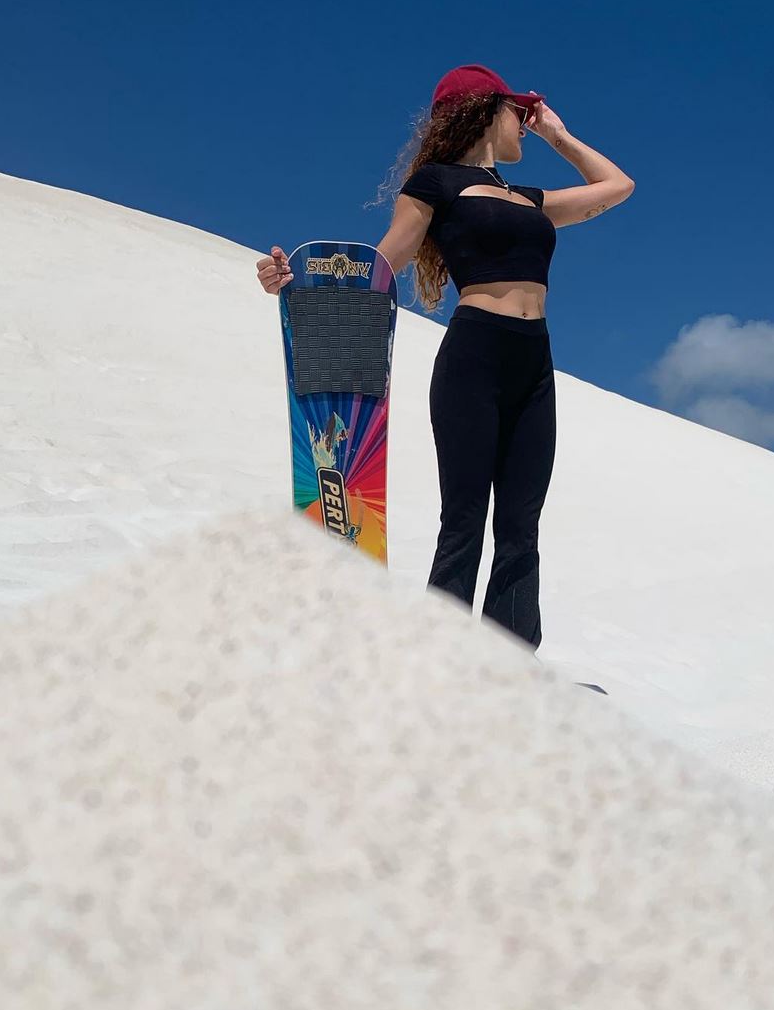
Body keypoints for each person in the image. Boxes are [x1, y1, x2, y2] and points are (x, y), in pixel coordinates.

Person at [257, 64, 634, 654]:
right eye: (519, 111)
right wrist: (299, 282)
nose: (525, 122)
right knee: (464, 520)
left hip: (535, 364)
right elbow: (382, 265)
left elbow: (617, 187)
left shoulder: (529, 199)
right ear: (484, 109)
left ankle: (507, 668)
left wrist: (556, 134)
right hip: (474, 356)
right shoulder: (436, 184)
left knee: (520, 526)